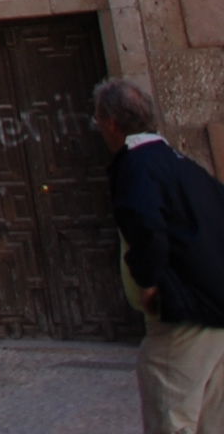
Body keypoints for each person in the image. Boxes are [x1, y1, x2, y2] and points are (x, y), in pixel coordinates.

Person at [99, 76, 224, 434]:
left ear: (110, 122)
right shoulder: (182, 163)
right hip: (216, 304)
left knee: (172, 412)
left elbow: (145, 223)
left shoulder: (137, 164)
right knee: (211, 418)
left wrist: (150, 281)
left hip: (187, 309)